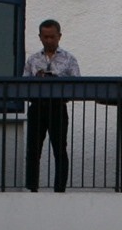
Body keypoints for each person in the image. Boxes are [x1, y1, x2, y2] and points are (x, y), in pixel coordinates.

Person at [22, 19, 79, 193]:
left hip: (57, 106)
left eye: (52, 37)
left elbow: (77, 85)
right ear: (40, 37)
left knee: (60, 149)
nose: (48, 40)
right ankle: (32, 188)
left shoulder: (69, 59)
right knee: (33, 149)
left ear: (59, 36)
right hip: (37, 106)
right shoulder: (33, 59)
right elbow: (23, 85)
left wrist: (58, 83)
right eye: (45, 37)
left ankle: (59, 189)